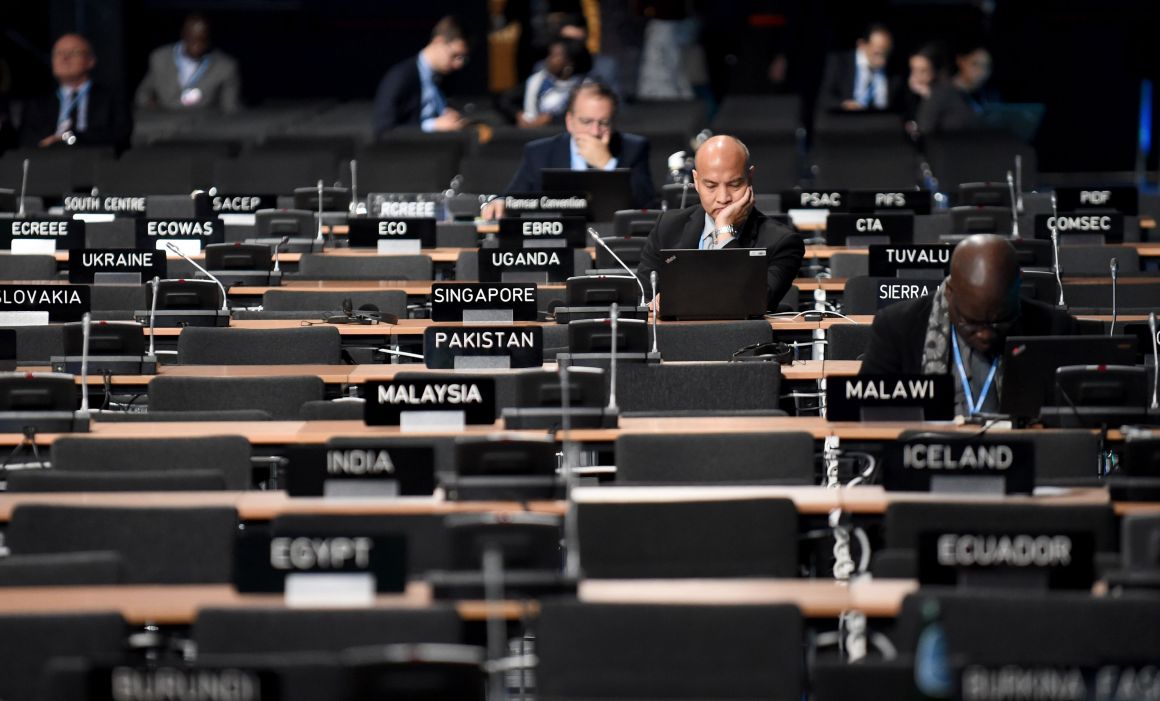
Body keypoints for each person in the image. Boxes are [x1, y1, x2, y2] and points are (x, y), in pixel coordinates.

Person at [861, 234, 1076, 416]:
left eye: (999, 322)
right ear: (950, 292)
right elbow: (866, 415)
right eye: (971, 322)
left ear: (1018, 287)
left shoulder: (1055, 330)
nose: (984, 335)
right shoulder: (897, 328)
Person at [634, 135, 804, 312]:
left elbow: (755, 301)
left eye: (735, 184)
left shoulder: (783, 242)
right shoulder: (667, 227)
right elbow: (642, 299)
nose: (723, 198)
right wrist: (653, 303)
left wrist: (724, 230)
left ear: (750, 177)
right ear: (696, 181)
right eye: (711, 186)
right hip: (675, 338)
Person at [482, 80, 655, 217]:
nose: (594, 132)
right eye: (586, 122)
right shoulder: (540, 153)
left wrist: (607, 164)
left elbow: (647, 205)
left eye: (604, 123)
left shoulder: (633, 149)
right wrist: (501, 202)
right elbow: (512, 198)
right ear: (569, 121)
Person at [18, 33, 132, 153]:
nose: (65, 58)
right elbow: (26, 139)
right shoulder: (38, 104)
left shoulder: (111, 98)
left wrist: (70, 139)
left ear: (90, 60)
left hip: (94, 161)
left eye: (74, 53)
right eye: (58, 53)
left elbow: (119, 135)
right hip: (48, 162)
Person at [372, 16, 469, 137]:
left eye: (462, 58)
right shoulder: (401, 77)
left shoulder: (442, 77)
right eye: (455, 55)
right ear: (438, 42)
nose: (458, 64)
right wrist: (433, 125)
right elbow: (384, 130)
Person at [135, 14, 241, 114]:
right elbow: (143, 94)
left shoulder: (225, 67)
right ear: (184, 35)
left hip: (203, 124)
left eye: (202, 40)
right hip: (164, 122)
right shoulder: (160, 58)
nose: (197, 45)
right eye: (192, 39)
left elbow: (230, 108)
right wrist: (152, 108)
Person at [817, 23, 900, 112]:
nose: (883, 61)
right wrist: (844, 104)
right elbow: (824, 97)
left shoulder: (895, 72)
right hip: (846, 120)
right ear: (862, 45)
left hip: (880, 121)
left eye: (886, 54)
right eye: (877, 53)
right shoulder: (839, 63)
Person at [915, 44, 994, 135]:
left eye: (986, 66)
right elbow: (924, 128)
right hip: (948, 147)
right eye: (975, 64)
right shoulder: (941, 92)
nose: (981, 71)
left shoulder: (989, 95)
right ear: (961, 61)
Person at [518, 36, 591, 128]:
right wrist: (519, 114)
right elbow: (508, 101)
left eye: (554, 56)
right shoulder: (537, 80)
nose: (549, 59)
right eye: (549, 55)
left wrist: (551, 119)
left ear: (569, 62)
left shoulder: (585, 86)